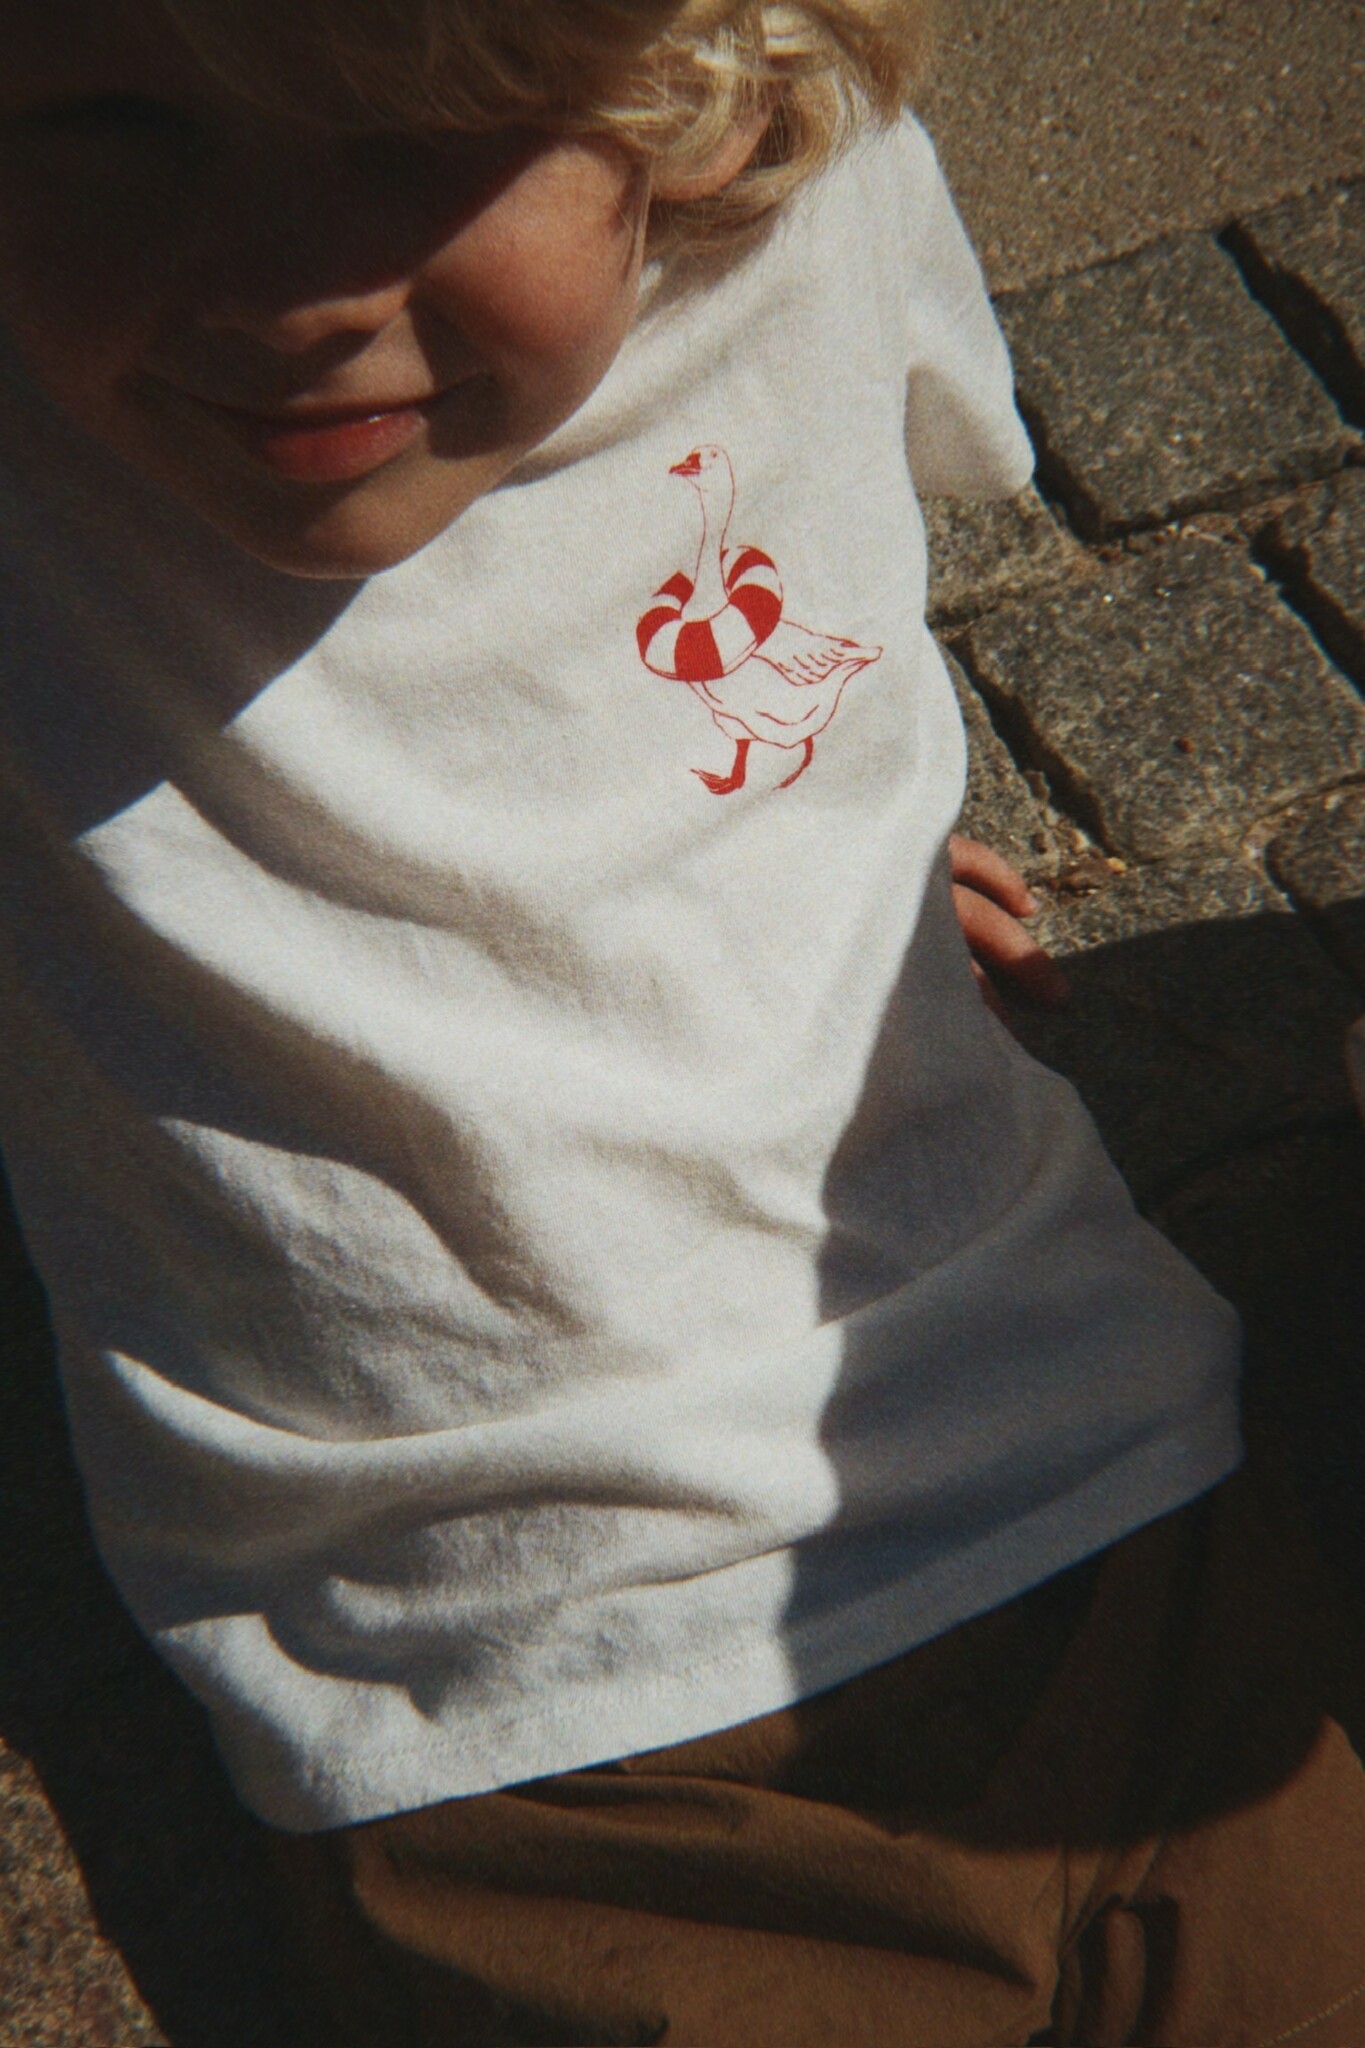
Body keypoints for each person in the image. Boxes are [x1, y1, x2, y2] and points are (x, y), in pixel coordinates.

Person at [0, 2, 1361, 2041]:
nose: (292, 292)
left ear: (696, 91)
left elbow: (834, 538)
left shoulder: (805, 208)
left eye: (416, 139)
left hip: (1115, 1502)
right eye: (116, 125)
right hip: (521, 1719)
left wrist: (824, 818)